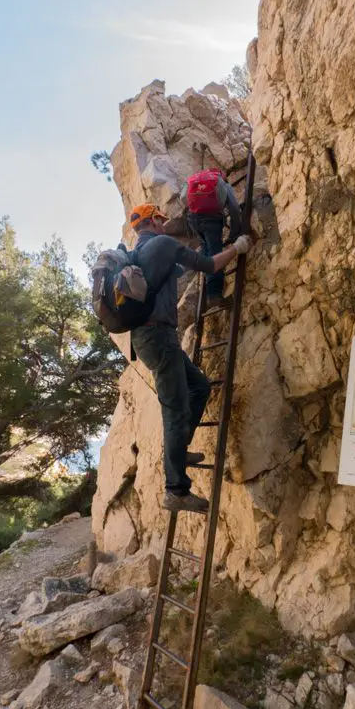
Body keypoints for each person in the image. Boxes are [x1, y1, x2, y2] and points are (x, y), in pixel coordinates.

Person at [129, 202, 251, 514]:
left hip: (150, 338)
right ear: (155, 220)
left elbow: (177, 270)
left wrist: (194, 252)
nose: (165, 223)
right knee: (174, 409)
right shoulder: (163, 244)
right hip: (158, 337)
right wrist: (236, 248)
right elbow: (209, 266)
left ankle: (179, 451)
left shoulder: (138, 253)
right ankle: (175, 490)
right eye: (162, 219)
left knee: (199, 386)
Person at [181, 169, 242, 310]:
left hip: (193, 220)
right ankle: (214, 295)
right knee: (215, 253)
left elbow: (183, 198)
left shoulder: (193, 180)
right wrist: (234, 233)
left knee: (205, 248)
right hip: (211, 221)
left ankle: (191, 267)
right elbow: (233, 208)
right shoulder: (222, 183)